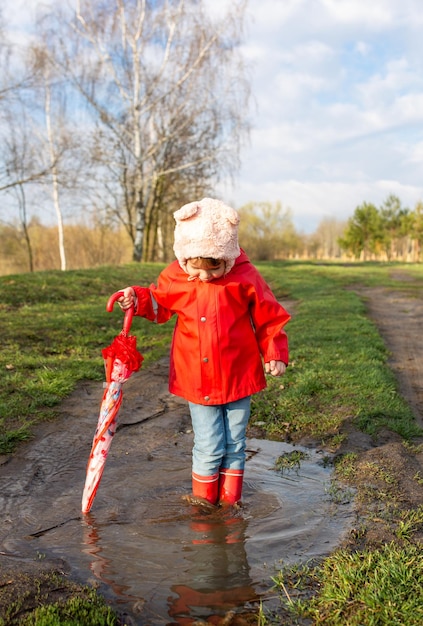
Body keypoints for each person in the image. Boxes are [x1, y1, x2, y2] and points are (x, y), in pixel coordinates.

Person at [117, 197, 290, 507]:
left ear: (228, 256)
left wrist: (274, 351)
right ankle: (203, 506)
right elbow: (158, 304)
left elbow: (270, 317)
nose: (206, 277)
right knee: (210, 444)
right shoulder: (176, 276)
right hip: (197, 377)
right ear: (184, 258)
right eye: (197, 270)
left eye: (215, 269)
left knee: (235, 443)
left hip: (239, 375)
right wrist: (137, 299)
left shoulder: (244, 276)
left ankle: (229, 503)